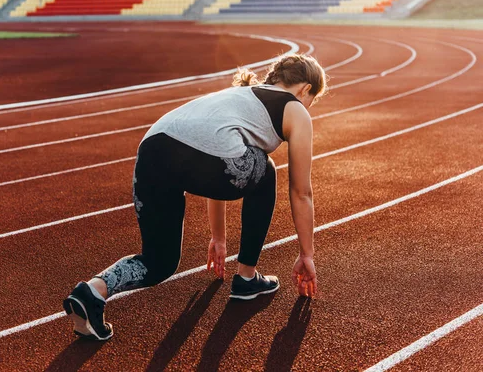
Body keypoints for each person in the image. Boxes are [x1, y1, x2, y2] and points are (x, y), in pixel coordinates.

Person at [63, 53, 328, 340]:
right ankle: (247, 278)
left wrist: (219, 237)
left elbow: (215, 152)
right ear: (305, 90)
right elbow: (301, 192)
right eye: (312, 100)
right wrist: (306, 254)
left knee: (159, 262)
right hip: (207, 158)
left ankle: (92, 292)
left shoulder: (237, 95)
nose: (309, 107)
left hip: (153, 149)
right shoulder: (294, 108)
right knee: (266, 171)